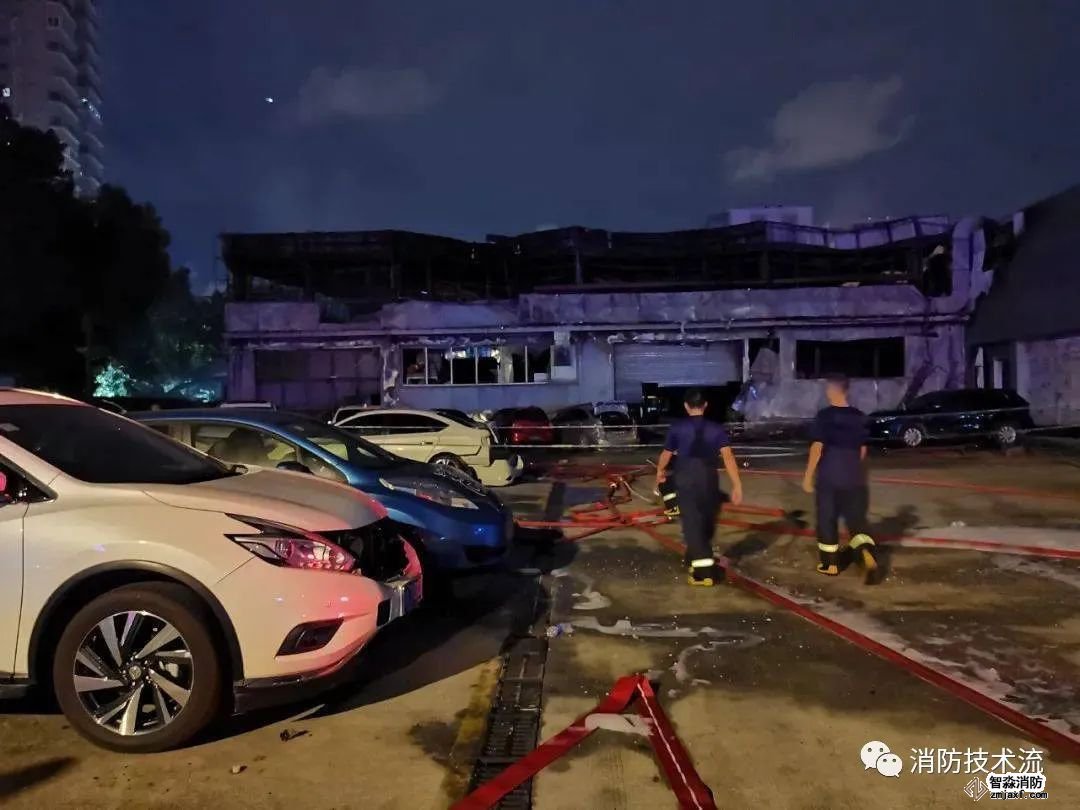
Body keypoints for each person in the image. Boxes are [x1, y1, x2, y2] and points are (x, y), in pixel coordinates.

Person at [655, 389, 744, 587]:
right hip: (708, 480)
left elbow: (666, 454)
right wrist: (737, 485)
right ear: (705, 405)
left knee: (693, 524)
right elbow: (728, 457)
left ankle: (703, 574)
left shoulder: (678, 428)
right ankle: (693, 557)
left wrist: (660, 471)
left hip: (686, 479)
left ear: (686, 406)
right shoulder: (716, 429)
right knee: (705, 520)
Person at [801, 375, 880, 583]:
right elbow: (862, 451)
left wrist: (808, 476)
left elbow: (817, 448)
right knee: (856, 520)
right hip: (854, 476)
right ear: (847, 390)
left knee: (827, 519)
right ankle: (865, 550)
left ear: (830, 391)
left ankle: (831, 564)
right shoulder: (860, 417)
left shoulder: (825, 416)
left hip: (830, 474)